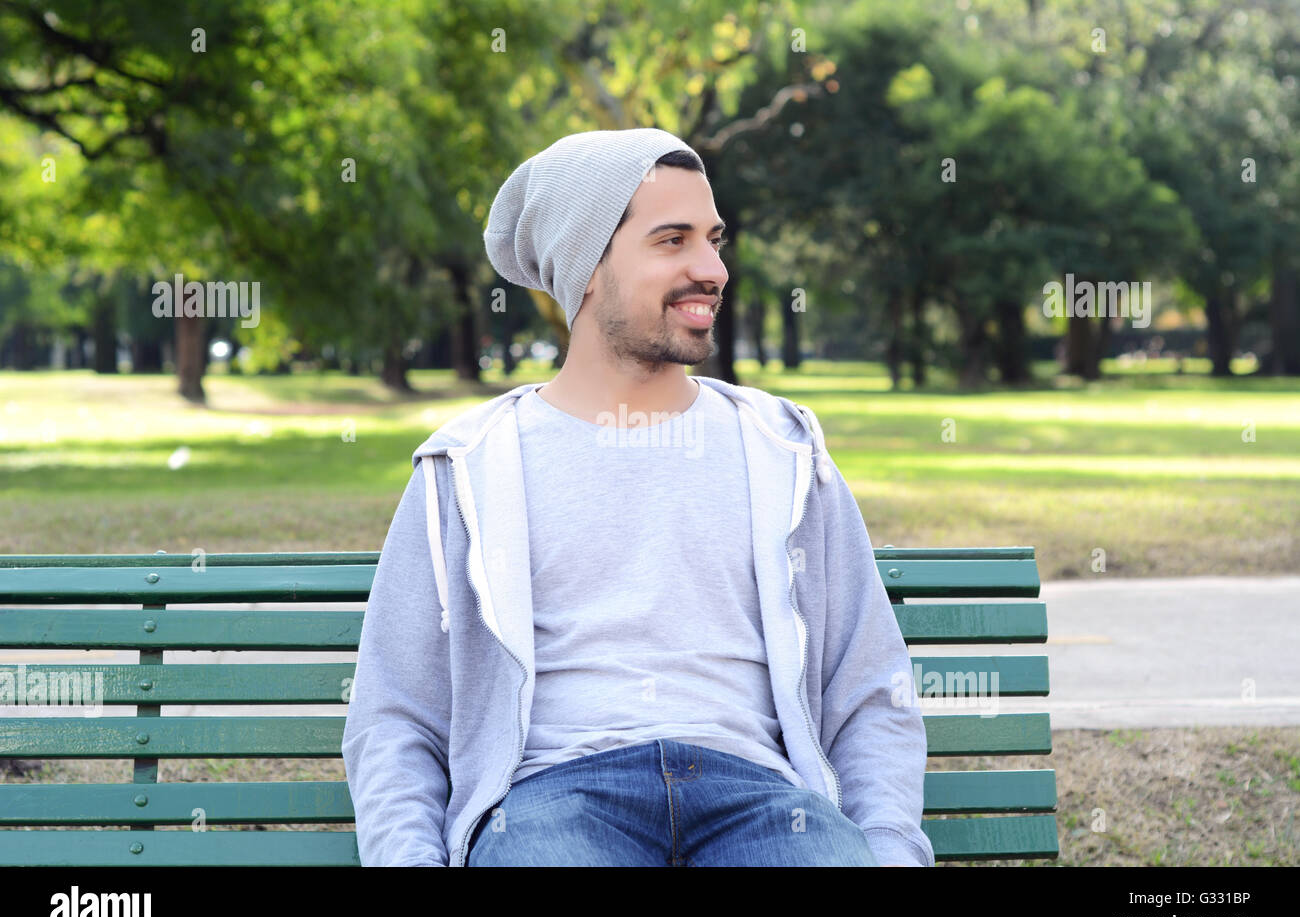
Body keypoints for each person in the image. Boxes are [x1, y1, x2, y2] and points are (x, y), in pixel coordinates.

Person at [341, 127, 934, 867]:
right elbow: (395, 718)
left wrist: (887, 851)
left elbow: (870, 690)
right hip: (554, 804)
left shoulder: (782, 449)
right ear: (588, 269)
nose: (712, 269)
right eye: (673, 241)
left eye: (714, 240)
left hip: (763, 802)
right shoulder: (469, 468)